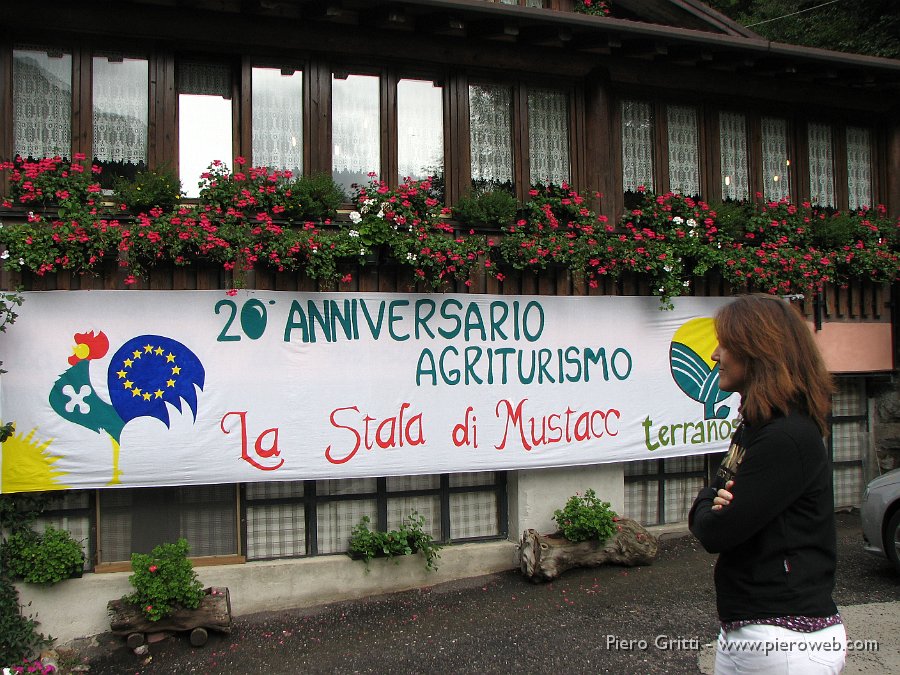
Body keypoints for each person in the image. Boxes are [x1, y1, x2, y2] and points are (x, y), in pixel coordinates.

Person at [689, 294, 846, 674]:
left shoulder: (786, 438)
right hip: (749, 634)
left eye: (724, 345)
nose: (714, 355)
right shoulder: (756, 426)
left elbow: (716, 531)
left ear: (757, 351)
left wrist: (711, 507)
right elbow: (709, 506)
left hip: (787, 643)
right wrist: (710, 503)